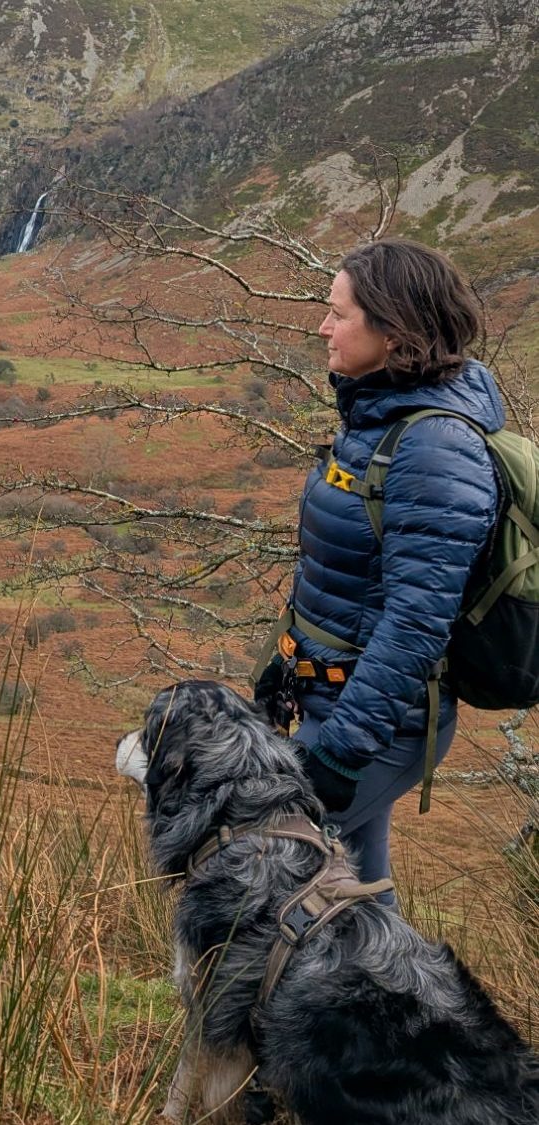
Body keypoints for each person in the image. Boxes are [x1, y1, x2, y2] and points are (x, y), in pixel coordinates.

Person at [254, 237, 503, 904]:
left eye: (338, 313)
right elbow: (337, 570)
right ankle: (394, 1004)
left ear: (392, 330)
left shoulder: (434, 449)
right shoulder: (375, 416)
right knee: (356, 893)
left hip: (377, 720)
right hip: (331, 693)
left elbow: (415, 621)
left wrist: (341, 750)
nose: (322, 326)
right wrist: (282, 659)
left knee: (256, 864)